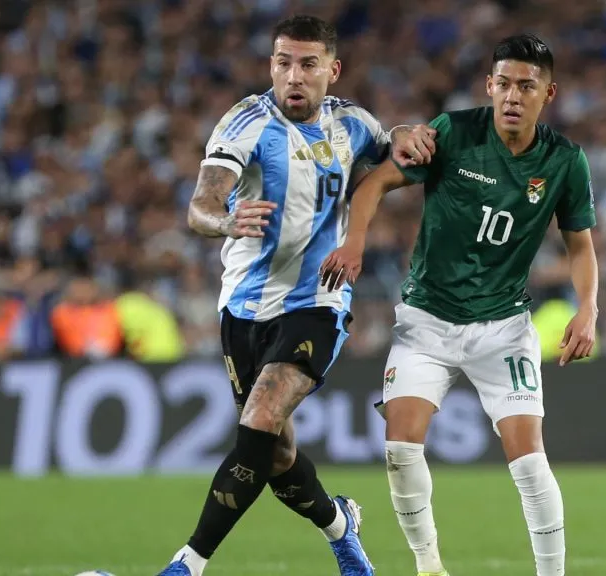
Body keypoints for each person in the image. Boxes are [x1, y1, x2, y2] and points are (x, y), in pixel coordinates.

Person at [157, 14, 436, 576]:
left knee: (258, 421)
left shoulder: (353, 124)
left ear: (332, 70)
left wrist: (406, 130)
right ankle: (341, 525)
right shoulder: (244, 124)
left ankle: (187, 564)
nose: (294, 76)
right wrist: (226, 220)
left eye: (308, 64)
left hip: (317, 300)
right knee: (275, 454)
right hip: (243, 306)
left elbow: (396, 151)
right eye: (283, 62)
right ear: (271, 66)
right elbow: (201, 206)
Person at [320, 34, 599, 576]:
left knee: (529, 459)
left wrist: (587, 307)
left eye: (528, 85)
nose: (514, 95)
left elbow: (580, 243)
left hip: (503, 325)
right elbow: (374, 184)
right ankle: (430, 567)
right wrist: (353, 243)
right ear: (489, 86)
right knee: (400, 446)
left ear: (549, 93)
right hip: (427, 318)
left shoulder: (565, 161)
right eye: (505, 83)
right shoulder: (452, 133)